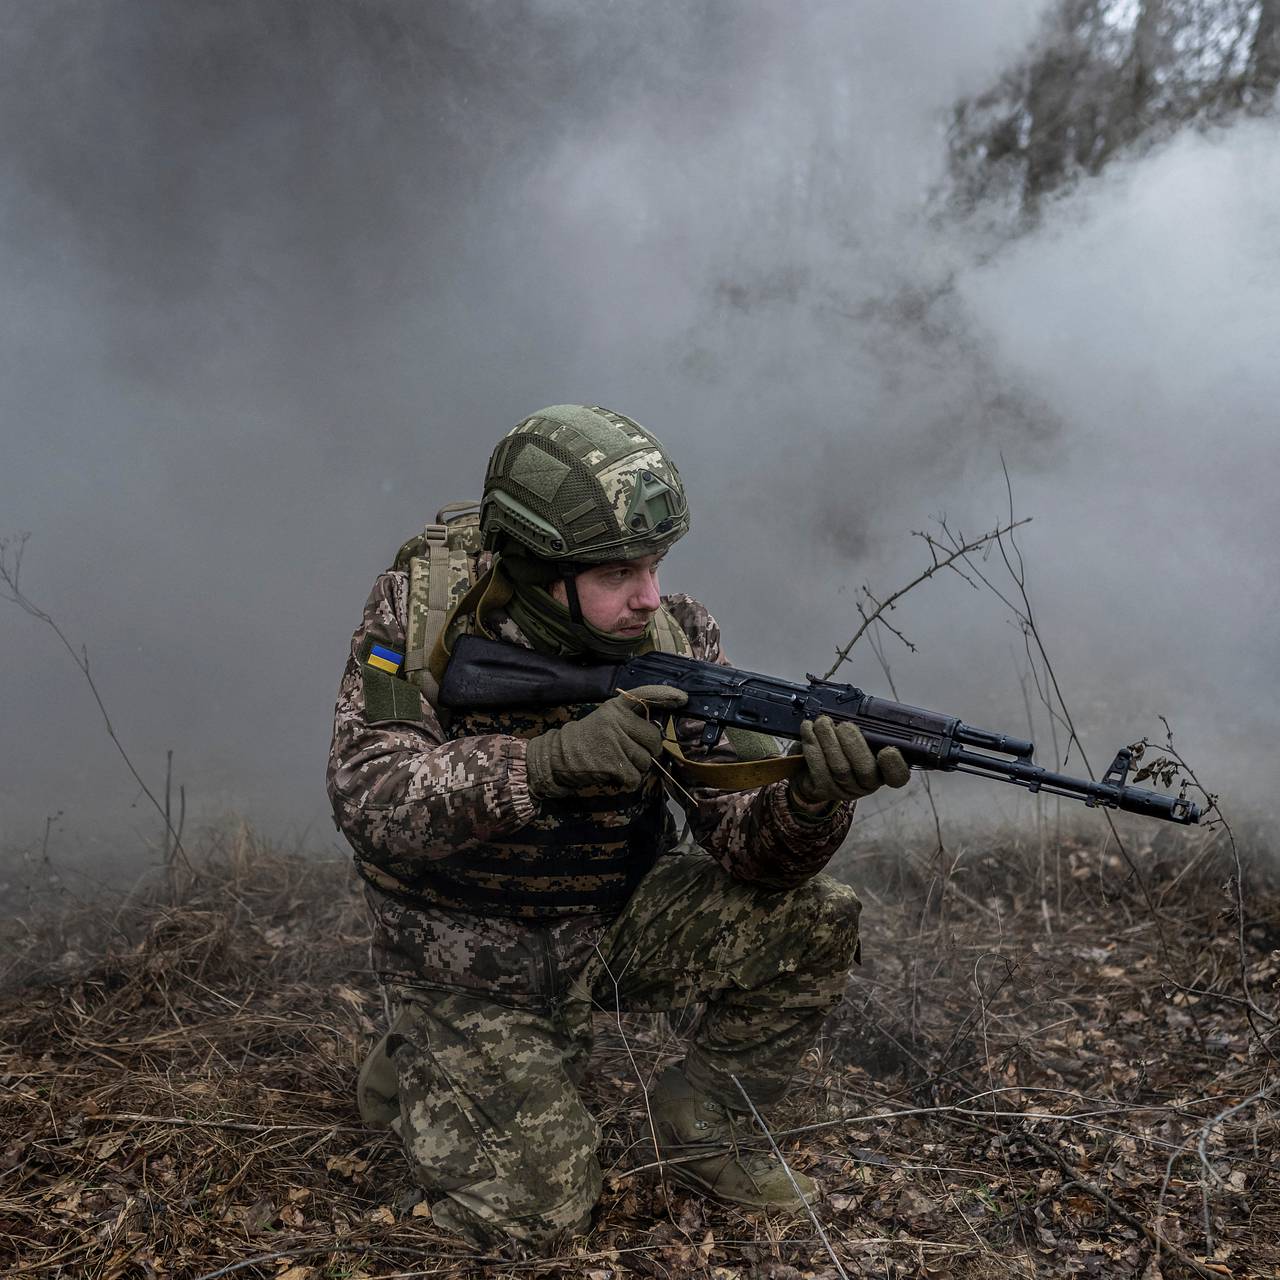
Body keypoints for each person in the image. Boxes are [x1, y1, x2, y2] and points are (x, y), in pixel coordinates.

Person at [326, 404, 909, 1255]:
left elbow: (748, 848)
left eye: (656, 565)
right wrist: (542, 766)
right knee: (540, 1219)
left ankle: (702, 1119)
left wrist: (812, 798)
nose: (650, 597)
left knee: (820, 917)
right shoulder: (424, 616)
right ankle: (420, 1049)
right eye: (617, 573)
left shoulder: (675, 636)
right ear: (536, 566)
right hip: (465, 955)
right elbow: (367, 798)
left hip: (609, 922)